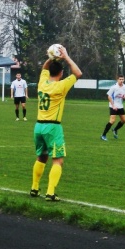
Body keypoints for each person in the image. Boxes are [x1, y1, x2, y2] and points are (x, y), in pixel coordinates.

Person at [30, 46, 82, 201]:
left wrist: (51, 57)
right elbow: (78, 73)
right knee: (58, 160)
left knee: (41, 157)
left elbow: (44, 68)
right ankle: (50, 192)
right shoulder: (61, 86)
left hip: (38, 126)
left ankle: (34, 188)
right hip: (53, 127)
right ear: (61, 73)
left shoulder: (42, 83)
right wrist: (66, 57)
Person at [101, 75, 125, 140]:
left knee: (124, 120)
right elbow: (109, 96)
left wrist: (124, 97)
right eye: (120, 79)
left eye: (122, 79)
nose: (121, 80)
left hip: (120, 105)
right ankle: (103, 135)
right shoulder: (114, 87)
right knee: (112, 121)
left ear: (124, 80)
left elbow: (124, 95)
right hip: (113, 105)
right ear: (117, 80)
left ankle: (115, 129)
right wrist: (113, 105)